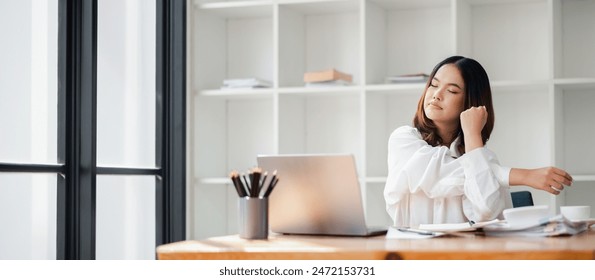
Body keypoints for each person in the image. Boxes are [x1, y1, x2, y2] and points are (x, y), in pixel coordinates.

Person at [383, 56, 573, 228]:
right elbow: (438, 173)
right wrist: (522, 176)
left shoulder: (481, 157)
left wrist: (473, 134)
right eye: (433, 85)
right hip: (413, 257)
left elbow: (487, 212)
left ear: (470, 103)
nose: (436, 94)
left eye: (451, 90)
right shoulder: (404, 140)